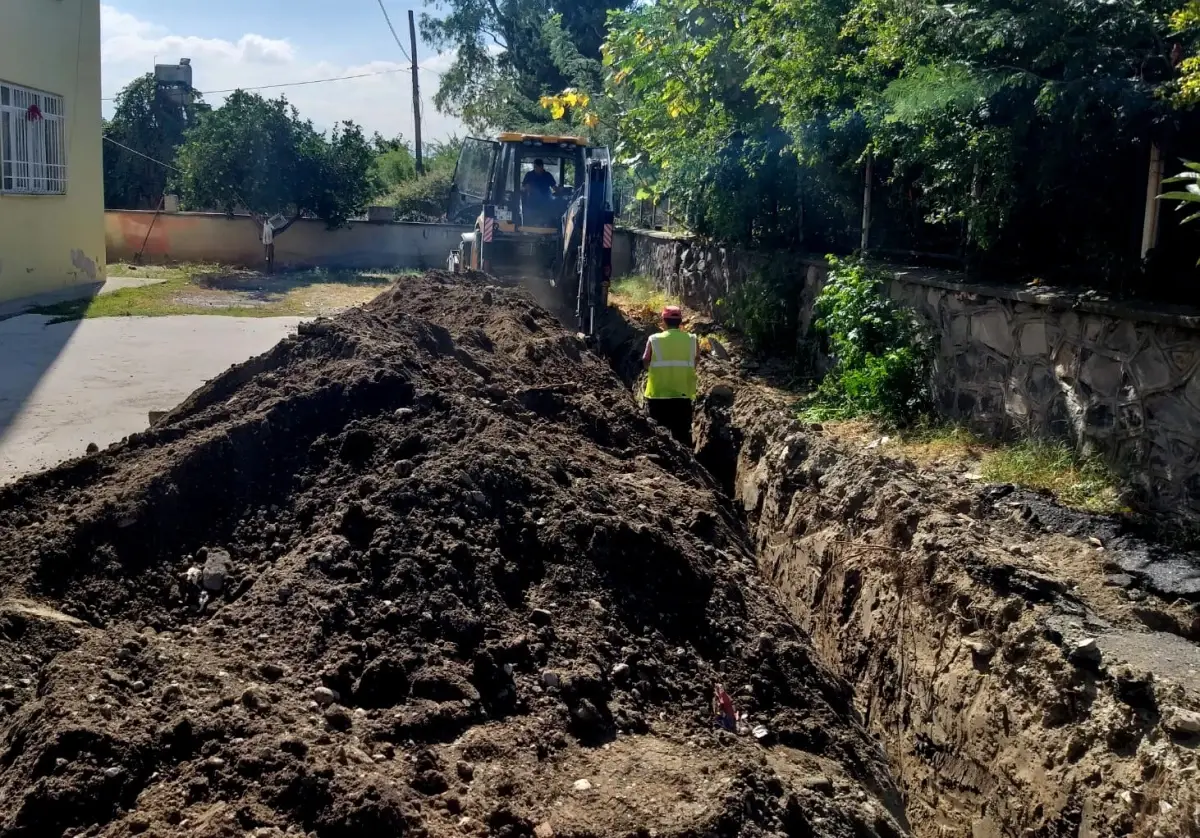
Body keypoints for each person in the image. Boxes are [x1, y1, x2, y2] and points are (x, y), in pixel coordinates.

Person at [642, 305, 699, 447]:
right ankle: (687, 465)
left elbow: (645, 360)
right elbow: (696, 359)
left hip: (658, 394)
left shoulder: (653, 339)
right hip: (683, 393)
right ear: (680, 321)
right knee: (682, 435)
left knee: (659, 436)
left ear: (663, 321)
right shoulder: (692, 339)